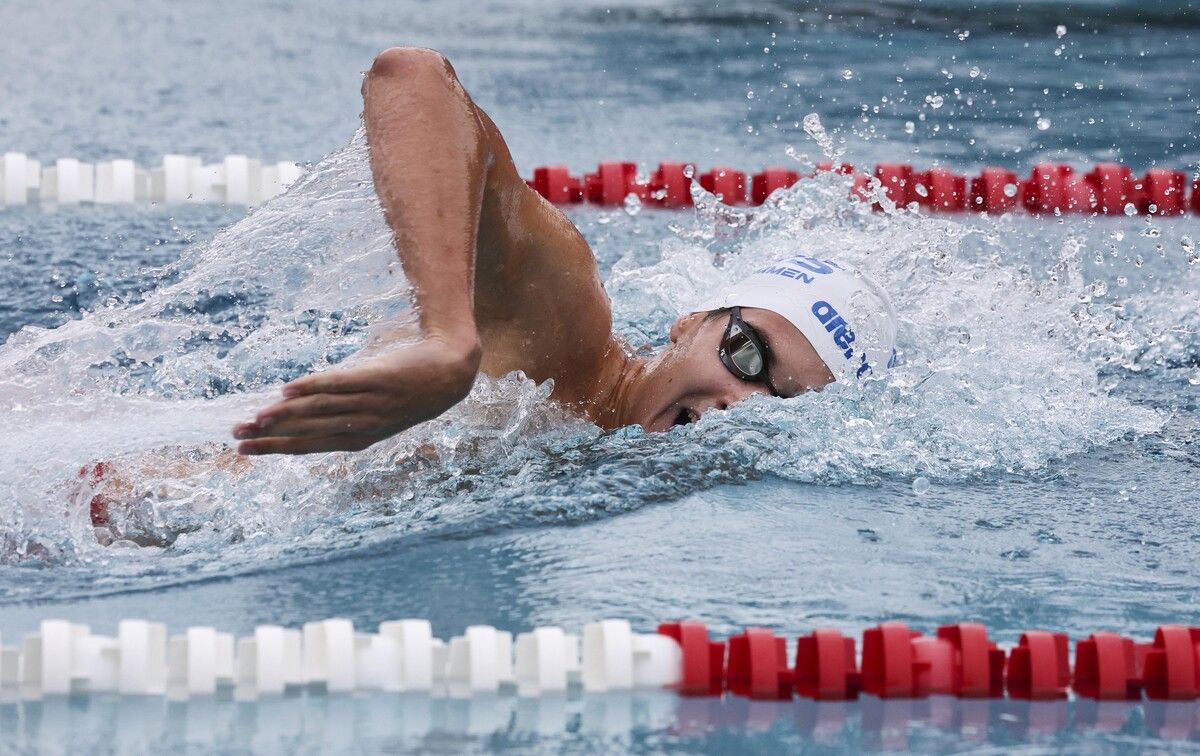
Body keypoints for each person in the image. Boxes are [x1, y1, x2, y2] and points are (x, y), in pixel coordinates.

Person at [231, 47, 898, 456]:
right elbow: (411, 75)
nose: (740, 406)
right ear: (690, 322)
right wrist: (448, 342)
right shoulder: (564, 333)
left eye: (783, 403)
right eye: (746, 355)